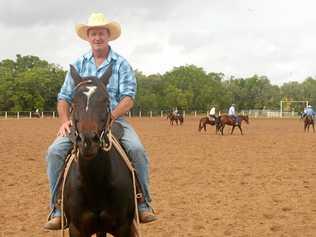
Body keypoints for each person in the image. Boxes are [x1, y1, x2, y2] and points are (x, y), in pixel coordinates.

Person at [44, 12, 157, 230]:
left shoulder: (121, 64)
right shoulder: (77, 65)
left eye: (101, 33)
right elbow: (63, 98)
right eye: (93, 33)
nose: (97, 37)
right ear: (88, 37)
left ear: (108, 36)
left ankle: (143, 202)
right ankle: (57, 208)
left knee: (137, 150)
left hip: (114, 119)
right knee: (54, 152)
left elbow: (128, 97)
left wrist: (111, 116)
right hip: (80, 122)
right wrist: (65, 120)